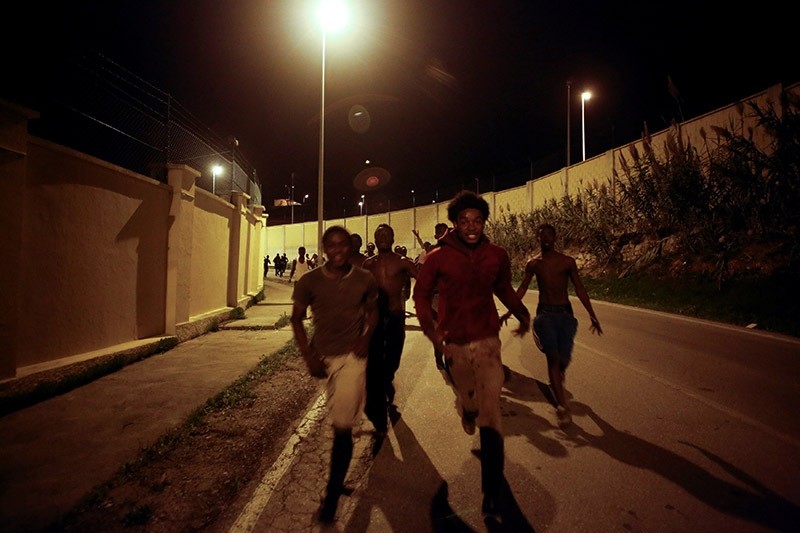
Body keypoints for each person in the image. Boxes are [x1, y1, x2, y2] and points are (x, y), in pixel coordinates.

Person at [413, 191, 530, 519]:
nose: (471, 226)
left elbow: (504, 289)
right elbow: (420, 294)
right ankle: (466, 407)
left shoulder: (497, 254)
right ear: (454, 223)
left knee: (491, 414)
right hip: (455, 346)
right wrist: (430, 330)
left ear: (484, 222)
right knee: (471, 402)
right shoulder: (437, 257)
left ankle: (491, 491)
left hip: (488, 344)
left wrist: (523, 315)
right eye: (464, 221)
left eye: (477, 220)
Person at [290, 225, 379, 524]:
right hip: (324, 359)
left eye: (343, 244)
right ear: (325, 248)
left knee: (342, 425)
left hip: (352, 359)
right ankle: (339, 479)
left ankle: (331, 495)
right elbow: (296, 319)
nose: (338, 250)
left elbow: (373, 310)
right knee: (338, 417)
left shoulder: (365, 278)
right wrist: (309, 356)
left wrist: (366, 339)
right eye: (332, 245)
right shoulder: (309, 281)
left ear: (349, 247)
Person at [500, 223, 603, 428]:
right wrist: (510, 311)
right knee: (553, 359)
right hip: (545, 315)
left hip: (565, 315)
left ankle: (558, 377)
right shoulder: (534, 263)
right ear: (537, 239)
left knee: (564, 360)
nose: (545, 239)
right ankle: (562, 406)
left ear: (555, 238)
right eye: (541, 236)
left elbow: (580, 288)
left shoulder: (567, 262)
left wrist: (592, 315)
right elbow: (521, 288)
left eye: (548, 235)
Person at [362, 224, 418, 434]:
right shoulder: (368, 264)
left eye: (386, 234)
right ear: (375, 240)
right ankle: (378, 412)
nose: (382, 237)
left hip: (395, 316)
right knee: (374, 359)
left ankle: (386, 379)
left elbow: (423, 279)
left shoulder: (402, 262)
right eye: (379, 235)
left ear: (393, 238)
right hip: (375, 319)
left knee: (394, 356)